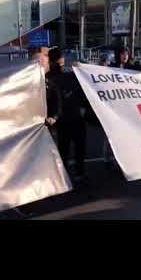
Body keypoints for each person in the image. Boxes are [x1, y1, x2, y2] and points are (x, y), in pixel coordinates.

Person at [47, 48, 88, 182]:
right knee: (76, 146)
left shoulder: (49, 77)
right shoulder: (68, 74)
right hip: (72, 116)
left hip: (64, 117)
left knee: (65, 147)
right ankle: (77, 173)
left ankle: (66, 175)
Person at [28, 46, 62, 139]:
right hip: (29, 125)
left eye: (43, 64)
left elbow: (57, 103)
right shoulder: (24, 83)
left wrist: (54, 117)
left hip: (46, 125)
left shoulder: (50, 84)